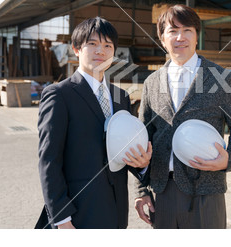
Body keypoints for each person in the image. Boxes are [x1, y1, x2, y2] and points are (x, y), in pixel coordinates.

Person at [134, 4, 231, 229]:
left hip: (206, 191)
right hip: (164, 192)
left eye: (187, 30)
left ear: (197, 36)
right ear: (162, 38)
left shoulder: (219, 78)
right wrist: (141, 190)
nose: (180, 37)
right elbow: (143, 138)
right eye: (172, 31)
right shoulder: (151, 83)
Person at [36, 17, 151, 229]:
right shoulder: (60, 94)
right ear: (76, 49)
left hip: (116, 210)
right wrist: (62, 219)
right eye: (93, 44)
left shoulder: (121, 97)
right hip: (78, 213)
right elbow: (49, 161)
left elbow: (121, 149)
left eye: (108, 45)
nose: (101, 51)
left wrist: (141, 166)